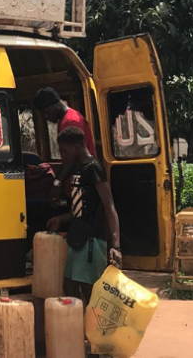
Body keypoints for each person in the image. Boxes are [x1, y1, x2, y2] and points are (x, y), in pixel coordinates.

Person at [46, 127, 121, 305]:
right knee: (70, 287)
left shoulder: (93, 168)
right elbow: (83, 207)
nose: (63, 155)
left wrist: (115, 245)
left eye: (65, 151)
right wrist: (62, 219)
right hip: (79, 237)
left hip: (91, 240)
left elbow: (109, 206)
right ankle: (78, 328)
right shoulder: (78, 169)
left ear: (77, 146)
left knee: (89, 290)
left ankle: (93, 330)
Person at [34, 87, 98, 206]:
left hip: (82, 184)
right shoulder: (65, 120)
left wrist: (57, 183)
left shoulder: (71, 121)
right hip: (75, 184)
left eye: (47, 112)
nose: (46, 117)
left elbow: (72, 159)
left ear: (57, 104)